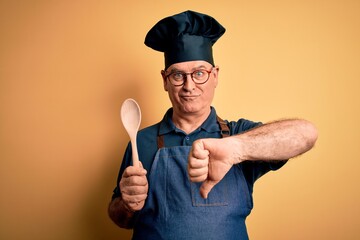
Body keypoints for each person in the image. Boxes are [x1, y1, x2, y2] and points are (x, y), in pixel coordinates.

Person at [108, 10, 318, 240]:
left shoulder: (239, 134)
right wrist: (127, 204)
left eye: (199, 73)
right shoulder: (141, 141)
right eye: (178, 75)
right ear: (165, 80)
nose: (189, 86)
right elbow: (119, 218)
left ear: (215, 75)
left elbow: (306, 134)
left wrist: (236, 149)